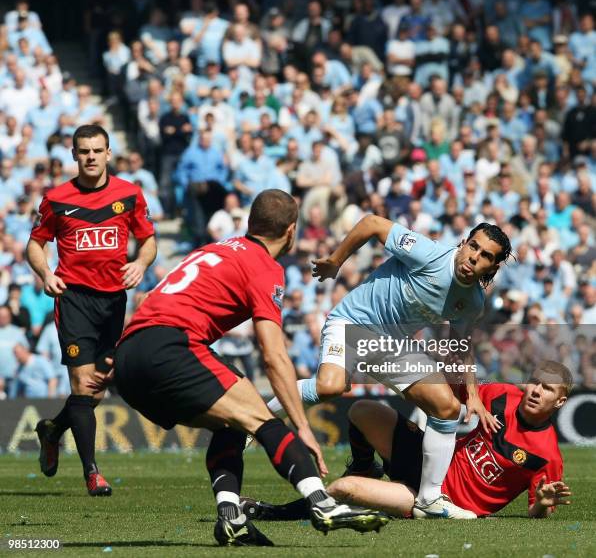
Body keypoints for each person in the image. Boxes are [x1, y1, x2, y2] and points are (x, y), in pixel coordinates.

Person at [103, 189, 388, 546]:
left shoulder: (215, 249)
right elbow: (273, 355)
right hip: (170, 347)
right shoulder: (264, 266)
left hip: (129, 356)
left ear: (251, 223)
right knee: (265, 423)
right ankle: (322, 502)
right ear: (290, 231)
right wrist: (302, 426)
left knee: (232, 423)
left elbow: (149, 299)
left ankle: (231, 516)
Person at [267, 218, 511, 518]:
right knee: (329, 386)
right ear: (463, 243)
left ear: (492, 268)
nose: (475, 256)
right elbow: (371, 224)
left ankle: (429, 501)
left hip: (392, 346)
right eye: (474, 246)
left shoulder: (473, 302)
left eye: (486, 255)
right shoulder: (429, 253)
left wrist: (472, 393)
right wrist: (335, 261)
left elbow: (461, 345)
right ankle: (259, 415)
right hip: (353, 322)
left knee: (447, 408)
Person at [245, 360, 572, 520]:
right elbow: (448, 394)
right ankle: (365, 467)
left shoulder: (547, 454)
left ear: (559, 402)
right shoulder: (503, 395)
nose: (535, 391)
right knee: (362, 410)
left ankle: (272, 513)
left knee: (344, 490)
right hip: (431, 462)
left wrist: (542, 503)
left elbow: (535, 516)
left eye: (547, 389)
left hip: (442, 500)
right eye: (534, 383)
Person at [26, 124, 156, 496]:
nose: (91, 157)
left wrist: (141, 264)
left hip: (114, 301)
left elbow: (148, 241)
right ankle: (92, 473)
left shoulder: (129, 195)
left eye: (97, 150)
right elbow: (35, 244)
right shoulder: (57, 198)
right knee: (83, 385)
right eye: (84, 151)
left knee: (96, 391)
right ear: (74, 155)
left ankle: (51, 432)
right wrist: (45, 273)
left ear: (108, 153)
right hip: (74, 299)